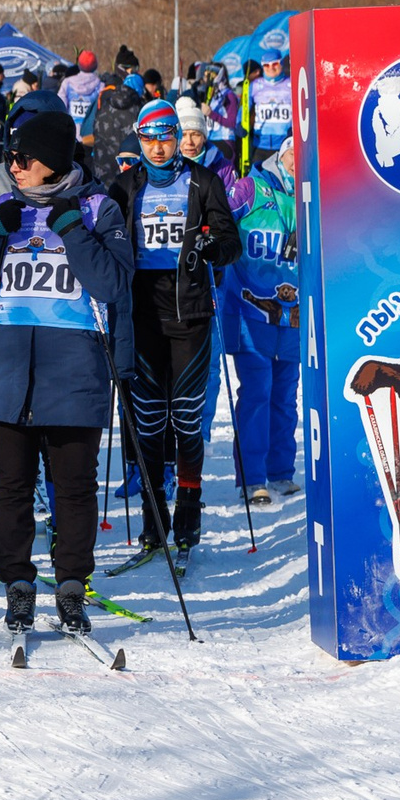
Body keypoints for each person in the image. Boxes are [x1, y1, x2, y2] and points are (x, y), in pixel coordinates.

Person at [0, 106, 133, 638]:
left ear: (53, 161)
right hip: (9, 369)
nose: (13, 165)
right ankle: (18, 585)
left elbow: (114, 285)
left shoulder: (99, 207)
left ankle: (72, 585)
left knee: (73, 488)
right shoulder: (2, 204)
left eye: (24, 157)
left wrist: (72, 229)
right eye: (10, 156)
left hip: (74, 370)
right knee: (10, 486)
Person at [106, 98, 241, 558]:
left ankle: (188, 510)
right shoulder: (124, 186)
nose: (159, 148)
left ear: (177, 137)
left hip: (191, 312)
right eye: (149, 139)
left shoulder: (202, 181)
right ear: (139, 139)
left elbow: (230, 243)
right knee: (146, 421)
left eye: (166, 138)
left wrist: (210, 246)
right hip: (142, 312)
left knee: (185, 418)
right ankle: (152, 516)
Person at [224, 123, 301, 506]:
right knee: (257, 392)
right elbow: (220, 220)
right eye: (293, 155)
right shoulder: (251, 188)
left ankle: (281, 471)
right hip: (251, 309)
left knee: (287, 396)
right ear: (283, 153)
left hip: (295, 316)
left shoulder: (314, 194)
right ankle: (252, 476)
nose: (297, 163)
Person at [246, 29, 292, 166]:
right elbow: (244, 107)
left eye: (275, 64)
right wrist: (239, 124)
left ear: (281, 64)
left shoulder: (291, 84)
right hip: (261, 142)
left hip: (284, 143)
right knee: (259, 178)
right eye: (266, 65)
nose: (271, 68)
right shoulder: (255, 85)